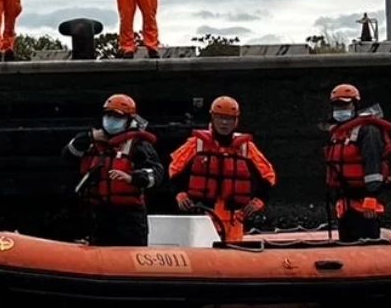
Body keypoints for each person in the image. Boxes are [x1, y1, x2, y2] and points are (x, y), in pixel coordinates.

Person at [168, 96, 276, 242]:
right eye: (220, 118)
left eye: (229, 119)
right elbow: (174, 170)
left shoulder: (246, 147)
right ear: (212, 118)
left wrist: (258, 201)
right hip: (202, 216)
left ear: (236, 121)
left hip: (234, 218)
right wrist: (180, 195)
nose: (224, 123)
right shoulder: (197, 144)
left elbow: (268, 176)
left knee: (233, 259)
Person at [62, 94, 163, 246]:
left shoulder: (138, 145)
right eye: (108, 115)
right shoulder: (91, 141)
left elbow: (156, 174)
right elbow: (68, 155)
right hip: (97, 213)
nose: (111, 120)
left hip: (129, 217)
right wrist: (88, 137)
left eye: (116, 117)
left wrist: (131, 178)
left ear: (129, 119)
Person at [324, 83, 391, 241]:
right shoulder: (339, 133)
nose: (340, 109)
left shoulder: (368, 131)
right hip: (345, 201)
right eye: (337, 105)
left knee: (367, 241)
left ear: (355, 105)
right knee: (347, 241)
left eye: (345, 105)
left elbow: (373, 166)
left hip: (364, 202)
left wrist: (371, 197)